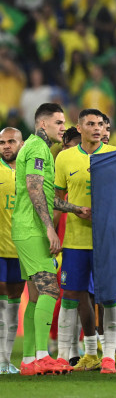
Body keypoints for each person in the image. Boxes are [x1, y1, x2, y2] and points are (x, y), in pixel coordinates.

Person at [13, 104, 90, 376]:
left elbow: (44, 195)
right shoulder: (36, 147)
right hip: (32, 229)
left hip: (26, 228)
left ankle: (29, 360)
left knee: (35, 297)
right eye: (58, 122)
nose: (63, 127)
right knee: (50, 289)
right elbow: (34, 189)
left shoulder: (41, 149)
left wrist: (73, 208)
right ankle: (44, 355)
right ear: (43, 124)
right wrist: (49, 228)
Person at [54, 109, 116, 374]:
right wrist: (74, 209)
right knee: (75, 294)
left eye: (100, 124)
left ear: (105, 128)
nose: (96, 128)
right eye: (90, 124)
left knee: (109, 297)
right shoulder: (65, 158)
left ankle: (110, 357)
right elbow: (55, 198)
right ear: (79, 128)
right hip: (75, 239)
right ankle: (83, 354)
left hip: (108, 240)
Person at [0, 127, 25, 374]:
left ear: (21, 143)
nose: (6, 146)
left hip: (20, 248)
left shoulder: (30, 172)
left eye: (11, 141)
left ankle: (6, 361)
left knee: (14, 305)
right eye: (2, 142)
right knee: (0, 305)